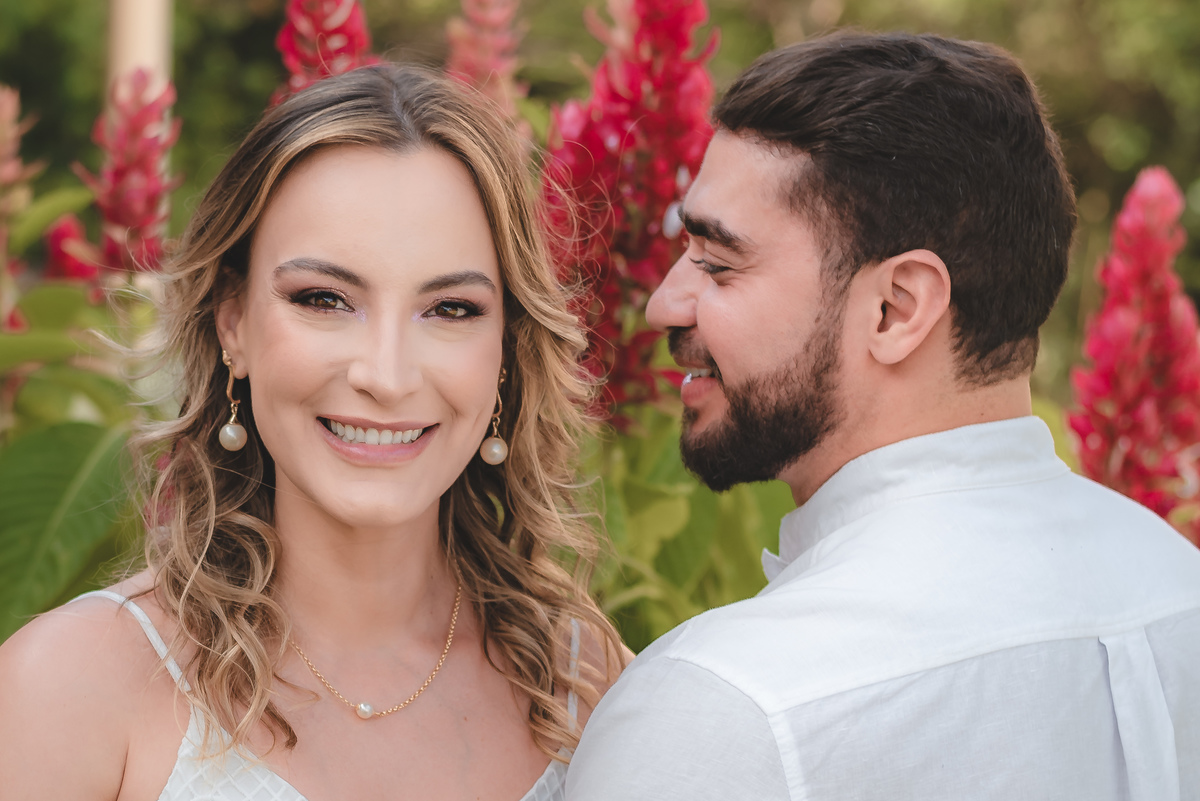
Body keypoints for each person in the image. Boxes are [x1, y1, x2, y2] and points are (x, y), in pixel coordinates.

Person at [566, 31, 1200, 800]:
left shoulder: (732, 704)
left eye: (718, 263)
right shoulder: (1179, 588)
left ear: (897, 309)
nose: (662, 301)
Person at [0, 64, 624, 801]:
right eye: (324, 298)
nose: (386, 376)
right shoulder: (71, 684)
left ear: (506, 351)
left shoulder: (590, 682)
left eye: (451, 309)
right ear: (233, 322)